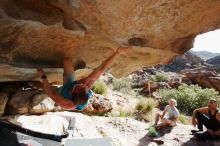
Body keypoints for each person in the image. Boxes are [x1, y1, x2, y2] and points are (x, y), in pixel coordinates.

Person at [37, 46, 132, 110]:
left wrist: (43, 75)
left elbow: (50, 93)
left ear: (74, 91)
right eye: (85, 86)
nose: (83, 84)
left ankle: (32, 84)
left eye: (81, 86)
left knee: (47, 88)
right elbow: (101, 69)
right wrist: (118, 53)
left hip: (62, 93)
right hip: (71, 88)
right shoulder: (87, 85)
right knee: (66, 61)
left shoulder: (66, 103)